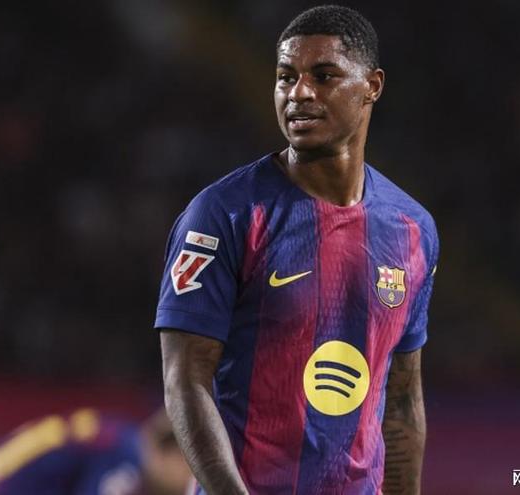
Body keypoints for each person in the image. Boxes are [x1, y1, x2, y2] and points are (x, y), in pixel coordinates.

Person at [156, 5, 439, 494]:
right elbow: (186, 380)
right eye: (286, 77)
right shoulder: (224, 215)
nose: (299, 92)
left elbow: (401, 401)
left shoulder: (413, 229)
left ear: (372, 86)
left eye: (323, 76)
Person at [0, 407, 191, 495]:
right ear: (170, 452)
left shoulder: (118, 438)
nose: (191, 481)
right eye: (189, 467)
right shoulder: (128, 459)